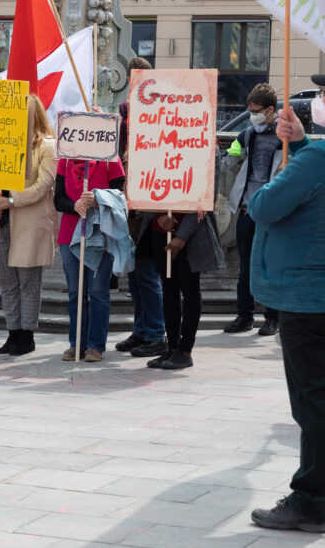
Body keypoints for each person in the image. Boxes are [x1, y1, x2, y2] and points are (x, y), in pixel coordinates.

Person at [249, 107, 325, 532]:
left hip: (307, 296)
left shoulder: (316, 159)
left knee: (312, 402)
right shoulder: (313, 155)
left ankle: (311, 499)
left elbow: (265, 205)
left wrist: (298, 154)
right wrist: (298, 144)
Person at [0, 95, 57, 357]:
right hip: (1, 221)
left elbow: (43, 186)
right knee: (7, 281)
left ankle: (27, 335)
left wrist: (11, 200)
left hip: (29, 223)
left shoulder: (48, 146)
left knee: (28, 281)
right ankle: (12, 332)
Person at [53, 152, 126, 363]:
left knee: (98, 291)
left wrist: (98, 200)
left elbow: (120, 194)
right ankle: (76, 343)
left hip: (99, 234)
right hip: (69, 234)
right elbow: (58, 199)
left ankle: (95, 345)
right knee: (75, 292)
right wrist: (74, 206)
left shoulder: (110, 157)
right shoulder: (65, 159)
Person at [116, 57, 166, 357]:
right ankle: (141, 330)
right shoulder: (124, 111)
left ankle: (156, 332)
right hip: (130, 200)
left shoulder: (162, 112)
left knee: (147, 274)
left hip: (153, 203)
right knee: (135, 275)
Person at [223, 83, 283, 337]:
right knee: (245, 268)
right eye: (250, 111)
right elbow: (230, 158)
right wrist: (217, 155)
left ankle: (272, 317)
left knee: (270, 268)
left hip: (274, 214)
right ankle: (244, 315)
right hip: (248, 210)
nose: (253, 115)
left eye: (256, 111)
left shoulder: (286, 136)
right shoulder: (248, 134)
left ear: (270, 110)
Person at [135, 207, 224, 370]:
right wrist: (158, 217)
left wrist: (182, 236)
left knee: (190, 290)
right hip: (160, 231)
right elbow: (146, 193)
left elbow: (203, 202)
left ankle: (185, 351)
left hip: (191, 234)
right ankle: (172, 347)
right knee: (169, 290)